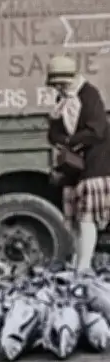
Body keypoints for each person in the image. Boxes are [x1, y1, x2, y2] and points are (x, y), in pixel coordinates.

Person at [46, 56, 110, 272]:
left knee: (86, 218)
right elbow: (53, 133)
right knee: (74, 218)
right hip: (74, 167)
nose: (58, 88)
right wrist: (64, 139)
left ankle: (84, 265)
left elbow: (97, 131)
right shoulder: (62, 99)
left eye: (61, 83)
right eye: (55, 84)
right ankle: (78, 260)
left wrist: (68, 141)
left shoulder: (89, 95)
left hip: (95, 163)